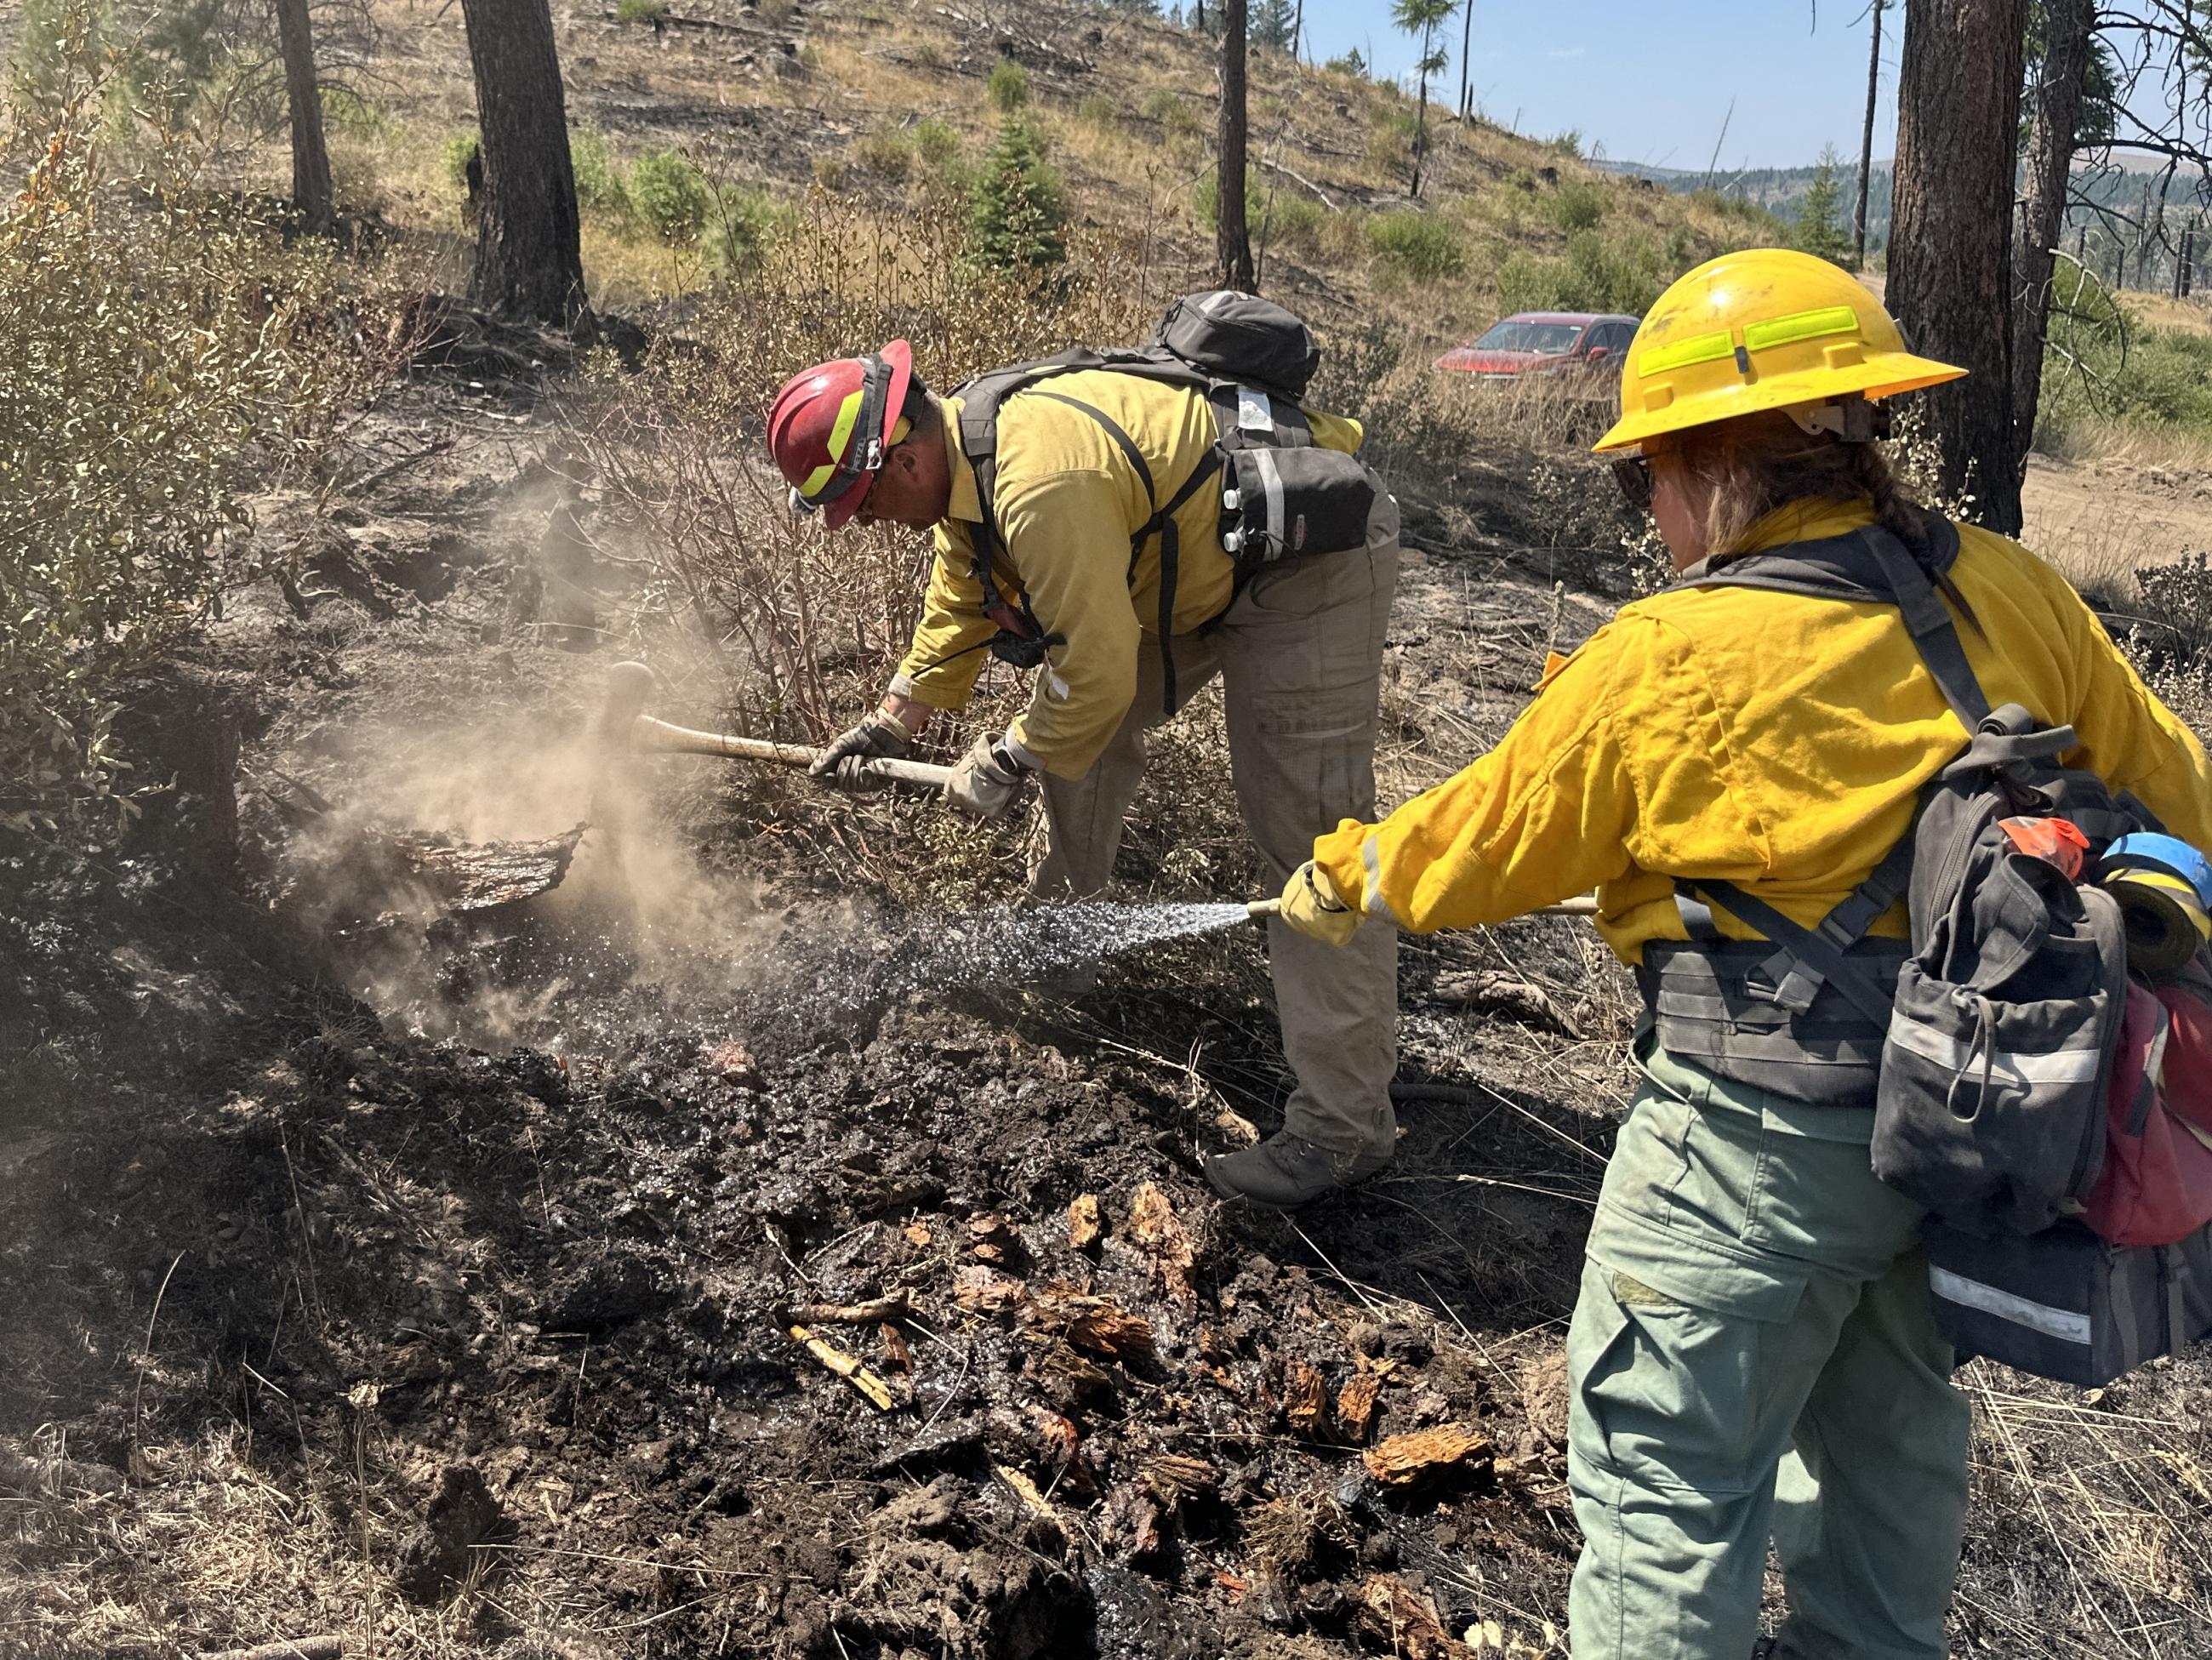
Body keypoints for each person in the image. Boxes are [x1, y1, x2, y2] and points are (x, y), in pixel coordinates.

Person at [1274, 248, 2212, 1657]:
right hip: (1976, 1131)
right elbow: (2184, 794)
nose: (1645, 503)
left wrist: (1338, 874)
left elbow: (1484, 843)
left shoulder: (1668, 653)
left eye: (1646, 469)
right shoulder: (2020, 596)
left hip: (1746, 1151)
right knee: (1889, 1454)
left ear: (1717, 464)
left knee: (1668, 1482)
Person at [766, 335, 1402, 1208]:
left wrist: (1007, 757)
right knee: (1086, 743)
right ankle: (1061, 951)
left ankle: (1343, 1128)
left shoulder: (1039, 484)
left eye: (860, 501)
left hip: (1301, 567)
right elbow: (961, 597)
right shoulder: (965, 458)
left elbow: (1095, 671)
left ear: (903, 459)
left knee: (1309, 838)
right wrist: (892, 721)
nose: (863, 521)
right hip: (1188, 562)